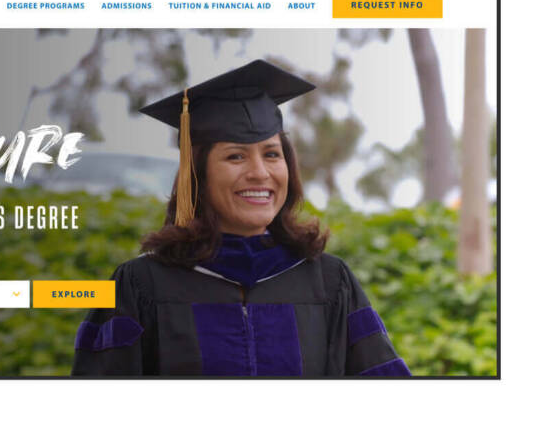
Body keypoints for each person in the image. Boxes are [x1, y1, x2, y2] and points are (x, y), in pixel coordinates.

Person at [71, 60, 411, 376]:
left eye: (272, 154)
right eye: (235, 156)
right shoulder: (140, 287)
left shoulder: (330, 283)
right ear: (197, 174)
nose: (260, 173)